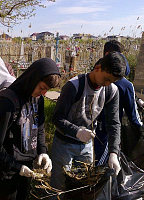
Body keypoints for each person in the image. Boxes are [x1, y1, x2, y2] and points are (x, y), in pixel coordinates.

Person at [50, 52, 127, 198]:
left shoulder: (111, 91)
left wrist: (113, 153)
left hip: (86, 145)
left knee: (85, 185)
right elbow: (57, 118)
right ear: (98, 67)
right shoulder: (74, 86)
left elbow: (114, 123)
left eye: (111, 81)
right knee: (58, 186)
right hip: (64, 143)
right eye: (106, 79)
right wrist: (77, 131)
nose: (107, 84)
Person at [0, 58, 61, 200]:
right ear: (33, 79)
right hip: (7, 168)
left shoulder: (38, 99)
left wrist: (43, 152)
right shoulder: (7, 102)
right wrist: (16, 167)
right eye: (42, 87)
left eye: (47, 90)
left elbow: (39, 127)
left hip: (28, 166)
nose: (43, 93)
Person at [95, 40, 144, 166]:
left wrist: (136, 99)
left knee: (93, 161)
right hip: (109, 131)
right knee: (105, 164)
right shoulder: (125, 85)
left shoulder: (95, 76)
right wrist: (143, 130)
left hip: (91, 129)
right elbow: (133, 117)